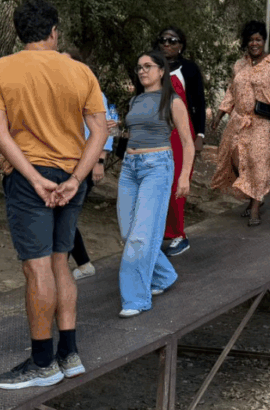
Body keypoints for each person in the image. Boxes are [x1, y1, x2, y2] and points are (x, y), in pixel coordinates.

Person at [0, 0, 107, 389]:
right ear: (54, 31)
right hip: (71, 176)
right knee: (59, 263)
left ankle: (42, 363)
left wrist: (35, 179)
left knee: (37, 268)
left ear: (19, 33)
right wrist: (77, 178)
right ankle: (68, 354)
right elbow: (100, 130)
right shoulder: (80, 71)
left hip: (29, 178)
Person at [117, 51, 194, 318]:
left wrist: (184, 176)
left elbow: (188, 142)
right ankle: (164, 276)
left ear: (162, 71)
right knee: (128, 232)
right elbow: (134, 132)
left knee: (141, 236)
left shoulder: (172, 101)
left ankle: (135, 299)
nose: (142, 71)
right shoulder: (135, 100)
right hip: (130, 167)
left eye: (148, 66)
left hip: (157, 167)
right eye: (139, 67)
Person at [211, 21, 270, 226]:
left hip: (264, 123)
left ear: (264, 41)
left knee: (258, 164)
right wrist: (220, 114)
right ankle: (254, 196)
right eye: (251, 40)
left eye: (258, 39)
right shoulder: (239, 65)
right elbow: (231, 91)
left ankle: (255, 208)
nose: (254, 43)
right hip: (239, 122)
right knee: (237, 161)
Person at [63, 50, 117, 281]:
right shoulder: (59, 92)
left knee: (66, 216)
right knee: (63, 215)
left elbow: (106, 129)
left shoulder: (93, 92)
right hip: (64, 162)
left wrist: (99, 162)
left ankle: (66, 266)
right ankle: (80, 264)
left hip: (86, 163)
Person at [155, 27, 206, 257]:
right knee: (157, 183)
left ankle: (179, 235)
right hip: (157, 133)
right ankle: (159, 233)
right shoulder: (152, 67)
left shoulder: (189, 69)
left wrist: (200, 136)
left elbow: (199, 101)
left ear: (181, 45)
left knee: (177, 184)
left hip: (181, 134)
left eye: (172, 40)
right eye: (163, 40)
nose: (167, 44)